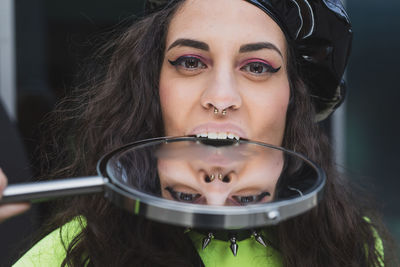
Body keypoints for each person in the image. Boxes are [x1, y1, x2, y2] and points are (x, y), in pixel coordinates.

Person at [9, 0, 396, 266]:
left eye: (258, 67)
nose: (221, 98)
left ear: (293, 99)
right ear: (152, 87)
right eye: (191, 62)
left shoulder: (351, 248)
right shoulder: (68, 256)